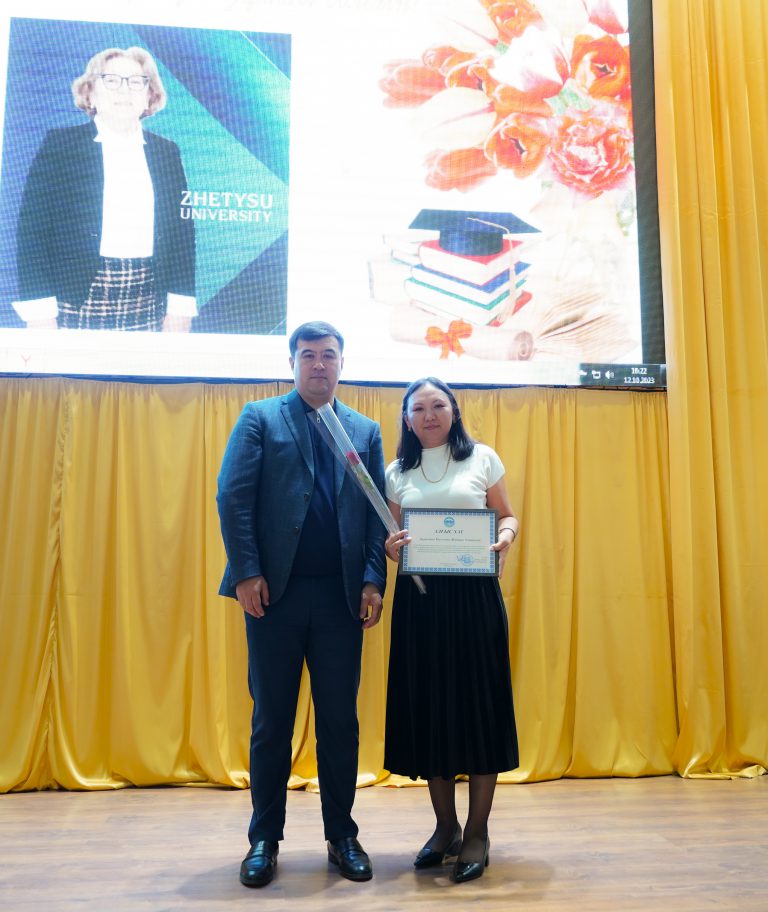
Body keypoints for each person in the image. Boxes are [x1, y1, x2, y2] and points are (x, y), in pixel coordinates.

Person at [216, 321, 387, 888]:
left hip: (341, 601)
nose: (318, 364)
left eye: (328, 355)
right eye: (308, 355)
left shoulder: (363, 430)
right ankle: (263, 838)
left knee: (340, 722)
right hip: (275, 598)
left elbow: (377, 512)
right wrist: (247, 571)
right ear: (292, 363)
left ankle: (343, 835)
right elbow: (233, 496)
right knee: (271, 722)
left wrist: (373, 579)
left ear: (341, 364)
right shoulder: (261, 418)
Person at [383, 377, 519, 884]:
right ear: (407, 418)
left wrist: (505, 538)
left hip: (475, 601)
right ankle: (446, 828)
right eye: (419, 408)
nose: (430, 414)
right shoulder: (396, 471)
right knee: (431, 711)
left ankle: (478, 832)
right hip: (420, 605)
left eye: (438, 405)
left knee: (480, 709)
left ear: (454, 411)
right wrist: (391, 548)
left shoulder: (482, 457)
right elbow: (393, 540)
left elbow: (507, 518)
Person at [13, 46, 195, 331]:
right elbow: (32, 234)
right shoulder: (61, 147)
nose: (124, 90)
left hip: (148, 301)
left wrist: (180, 310)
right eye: (111, 80)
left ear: (150, 95)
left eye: (136, 82)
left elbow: (182, 237)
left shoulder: (166, 152)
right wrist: (39, 314)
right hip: (75, 300)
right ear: (91, 92)